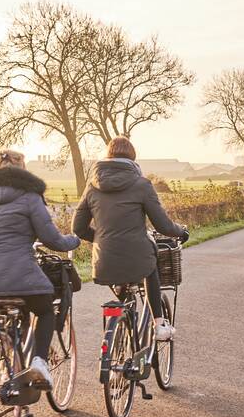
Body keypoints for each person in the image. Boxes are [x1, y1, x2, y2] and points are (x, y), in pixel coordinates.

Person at [0, 150, 82, 387]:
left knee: (16, 314)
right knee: (45, 310)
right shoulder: (30, 198)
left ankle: (12, 368)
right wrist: (74, 240)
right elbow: (52, 240)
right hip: (22, 276)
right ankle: (39, 362)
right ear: (22, 172)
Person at [72, 136, 189, 341]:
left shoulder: (92, 185)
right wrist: (181, 232)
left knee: (124, 291)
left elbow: (78, 228)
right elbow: (162, 225)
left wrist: (101, 238)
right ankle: (159, 324)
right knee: (151, 263)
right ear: (132, 160)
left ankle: (122, 328)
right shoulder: (141, 185)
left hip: (104, 261)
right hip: (137, 257)